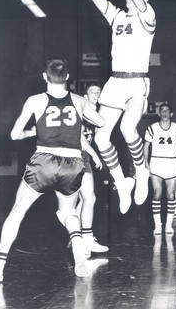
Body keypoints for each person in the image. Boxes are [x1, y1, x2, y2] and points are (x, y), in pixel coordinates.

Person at [0, 58, 105, 281]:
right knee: (68, 212)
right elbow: (100, 121)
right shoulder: (79, 101)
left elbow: (14, 134)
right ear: (68, 78)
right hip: (72, 163)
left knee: (17, 211)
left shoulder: (35, 100)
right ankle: (79, 250)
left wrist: (31, 132)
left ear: (45, 77)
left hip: (43, 160)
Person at [88, 0, 156, 214]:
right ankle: (121, 181)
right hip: (115, 81)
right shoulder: (117, 16)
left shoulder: (148, 15)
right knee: (101, 139)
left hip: (136, 82)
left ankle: (141, 172)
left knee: (128, 129)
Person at [143, 102, 176, 234]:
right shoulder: (152, 128)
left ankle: (168, 225)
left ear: (171, 114)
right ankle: (158, 225)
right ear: (159, 113)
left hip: (171, 163)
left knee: (170, 195)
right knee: (157, 194)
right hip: (156, 162)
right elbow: (146, 146)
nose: (164, 113)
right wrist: (146, 162)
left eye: (167, 110)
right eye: (162, 110)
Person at [77, 84, 109, 257]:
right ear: (85, 95)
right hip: (78, 154)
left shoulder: (98, 114)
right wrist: (95, 155)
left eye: (99, 91)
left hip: (85, 156)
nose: (96, 94)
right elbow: (79, 136)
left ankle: (77, 238)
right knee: (88, 198)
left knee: (84, 199)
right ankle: (84, 238)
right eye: (92, 91)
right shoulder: (82, 109)